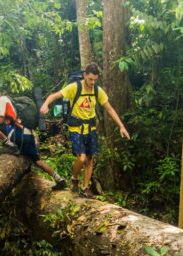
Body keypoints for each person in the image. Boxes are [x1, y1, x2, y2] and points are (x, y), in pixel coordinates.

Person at [40, 63, 130, 197]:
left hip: (91, 128)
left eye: (95, 80)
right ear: (84, 76)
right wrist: (45, 104)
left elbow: (109, 108)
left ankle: (85, 187)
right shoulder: (74, 87)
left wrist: (121, 126)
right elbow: (54, 95)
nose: (92, 82)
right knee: (81, 158)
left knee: (89, 159)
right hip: (76, 127)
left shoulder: (97, 91)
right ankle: (74, 178)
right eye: (90, 79)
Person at [0, 84, 66, 190]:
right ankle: (59, 179)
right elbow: (7, 120)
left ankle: (10, 145)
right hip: (28, 135)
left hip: (18, 136)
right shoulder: (9, 100)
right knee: (38, 161)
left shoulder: (2, 100)